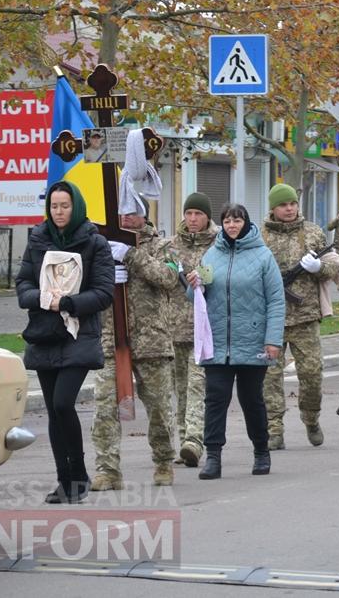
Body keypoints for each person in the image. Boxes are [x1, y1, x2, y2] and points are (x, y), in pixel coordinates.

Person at [16, 181, 114, 503]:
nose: (58, 212)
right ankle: (64, 481)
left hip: (78, 335)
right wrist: (45, 299)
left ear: (76, 207)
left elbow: (103, 293)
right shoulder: (37, 239)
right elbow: (23, 286)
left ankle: (80, 474)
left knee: (62, 403)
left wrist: (69, 303)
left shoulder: (95, 243)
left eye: (65, 206)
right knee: (54, 412)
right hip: (44, 334)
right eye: (54, 206)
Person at [186, 204, 284, 479]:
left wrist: (272, 339)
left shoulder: (263, 256)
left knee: (251, 399)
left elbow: (276, 300)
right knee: (215, 398)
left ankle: (261, 451)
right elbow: (196, 298)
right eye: (227, 220)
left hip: (253, 341)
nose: (232, 225)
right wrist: (194, 285)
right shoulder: (212, 254)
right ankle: (213, 457)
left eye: (237, 220)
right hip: (217, 342)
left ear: (246, 222)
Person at [91, 204, 180, 491]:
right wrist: (105, 275)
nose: (126, 218)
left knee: (158, 408)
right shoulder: (101, 245)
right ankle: (108, 469)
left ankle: (164, 461)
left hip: (151, 340)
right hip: (110, 338)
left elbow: (168, 278)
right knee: (104, 406)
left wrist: (130, 256)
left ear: (145, 214)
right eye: (121, 212)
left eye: (132, 212)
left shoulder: (163, 245)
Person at [262, 183, 339, 449]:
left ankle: (311, 417)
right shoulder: (259, 236)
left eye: (293, 203)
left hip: (305, 316)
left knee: (312, 374)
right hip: (270, 318)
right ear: (273, 207)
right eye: (284, 205)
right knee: (269, 377)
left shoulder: (313, 233)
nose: (290, 209)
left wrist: (319, 267)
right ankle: (274, 428)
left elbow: (334, 263)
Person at [165, 192, 217, 469]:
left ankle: (195, 442)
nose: (193, 219)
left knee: (198, 386)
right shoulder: (171, 246)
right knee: (180, 389)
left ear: (207, 216)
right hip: (175, 328)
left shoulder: (219, 244)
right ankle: (185, 441)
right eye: (189, 213)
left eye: (198, 214)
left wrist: (207, 277)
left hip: (205, 329)